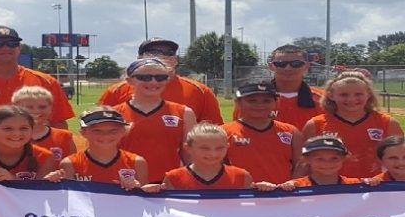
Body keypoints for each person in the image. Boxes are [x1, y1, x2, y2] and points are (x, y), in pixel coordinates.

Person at [98, 37, 223, 124]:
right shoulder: (116, 91)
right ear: (139, 58)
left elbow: (213, 131)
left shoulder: (200, 91)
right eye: (153, 52)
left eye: (169, 52)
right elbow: (98, 131)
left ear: (176, 59)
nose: (162, 56)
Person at [303, 71, 404, 178]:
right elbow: (304, 162)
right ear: (331, 95)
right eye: (343, 95)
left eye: (358, 94)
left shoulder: (387, 123)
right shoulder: (315, 124)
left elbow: (401, 160)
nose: (351, 99)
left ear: (368, 94)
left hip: (376, 188)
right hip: (331, 188)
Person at [112, 59, 197, 183]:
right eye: (144, 77)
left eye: (160, 77)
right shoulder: (114, 114)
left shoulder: (184, 113)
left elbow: (191, 155)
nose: (153, 82)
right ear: (129, 81)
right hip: (126, 187)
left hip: (167, 187)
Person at [141, 122, 276, 192]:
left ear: (227, 146)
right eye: (204, 148)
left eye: (220, 148)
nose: (213, 154)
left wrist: (265, 190)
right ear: (188, 148)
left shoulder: (240, 176)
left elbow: (253, 209)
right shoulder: (174, 178)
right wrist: (149, 193)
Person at [45, 106, 148, 190]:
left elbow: (145, 202)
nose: (105, 136)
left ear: (123, 132)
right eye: (97, 131)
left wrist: (137, 188)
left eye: (113, 130)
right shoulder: (70, 164)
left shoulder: (137, 162)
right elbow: (68, 201)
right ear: (83, 132)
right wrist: (51, 182)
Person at [222, 82, 304, 184]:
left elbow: (301, 165)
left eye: (266, 101)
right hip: (241, 195)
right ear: (238, 103)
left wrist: (291, 185)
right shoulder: (223, 132)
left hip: (281, 195)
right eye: (252, 101)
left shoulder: (291, 132)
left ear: (276, 103)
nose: (259, 105)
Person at [233, 44, 323, 131]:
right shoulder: (252, 97)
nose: (288, 68)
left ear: (306, 66)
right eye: (281, 64)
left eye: (296, 64)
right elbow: (239, 130)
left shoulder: (322, 99)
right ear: (271, 66)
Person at [11, 86, 77, 166]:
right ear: (15, 108)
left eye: (42, 107)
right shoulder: (7, 137)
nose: (36, 111)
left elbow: (73, 168)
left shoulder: (64, 137)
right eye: (29, 107)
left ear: (51, 108)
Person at [275, 135, 362, 190]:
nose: (327, 163)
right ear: (306, 159)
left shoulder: (355, 185)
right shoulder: (295, 187)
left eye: (334, 158)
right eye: (319, 159)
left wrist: (373, 183)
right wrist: (264, 188)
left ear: (344, 158)